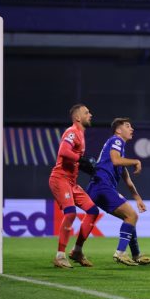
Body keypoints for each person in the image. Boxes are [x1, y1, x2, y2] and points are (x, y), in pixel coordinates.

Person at [86, 118, 150, 266]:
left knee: (129, 217)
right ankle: (120, 252)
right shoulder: (117, 140)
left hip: (97, 187)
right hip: (102, 186)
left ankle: (136, 254)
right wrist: (136, 161)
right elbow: (116, 160)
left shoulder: (118, 149)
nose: (132, 129)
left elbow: (127, 179)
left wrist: (138, 198)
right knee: (131, 216)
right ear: (118, 130)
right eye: (128, 126)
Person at [48, 104, 100, 268]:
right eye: (87, 112)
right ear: (78, 117)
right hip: (60, 179)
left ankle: (77, 251)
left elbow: (73, 159)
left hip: (71, 182)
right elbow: (63, 151)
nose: (90, 115)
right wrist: (82, 159)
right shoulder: (72, 132)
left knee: (93, 211)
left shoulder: (81, 135)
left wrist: (86, 167)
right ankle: (60, 256)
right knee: (70, 214)